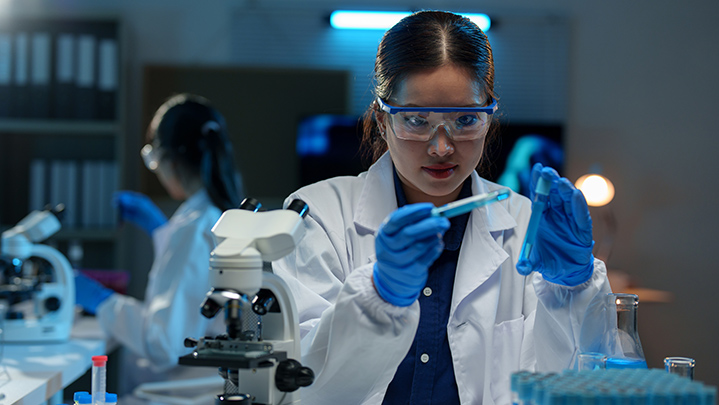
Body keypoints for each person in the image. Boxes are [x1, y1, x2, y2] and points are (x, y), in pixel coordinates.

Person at [271, 11, 612, 405]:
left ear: (489, 116)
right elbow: (301, 388)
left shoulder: (525, 227)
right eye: (416, 120)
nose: (441, 147)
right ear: (382, 120)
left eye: (466, 119)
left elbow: (575, 389)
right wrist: (376, 298)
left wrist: (574, 291)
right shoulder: (319, 217)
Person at [73, 93, 243, 392]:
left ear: (170, 160)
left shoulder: (195, 226)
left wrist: (103, 301)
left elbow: (164, 343)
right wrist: (162, 232)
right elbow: (192, 288)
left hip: (178, 393)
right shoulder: (213, 215)